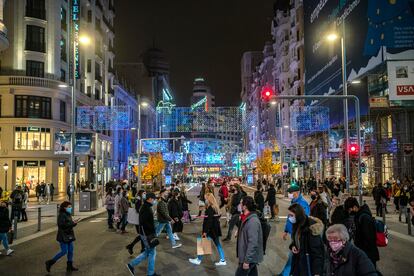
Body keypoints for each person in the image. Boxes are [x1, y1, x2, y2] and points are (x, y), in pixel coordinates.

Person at [278, 184, 310, 276]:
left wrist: (299, 234)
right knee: (293, 255)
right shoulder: (293, 201)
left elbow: (304, 220)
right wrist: (286, 230)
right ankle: (286, 272)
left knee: (294, 255)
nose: (289, 195)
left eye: (290, 193)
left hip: (299, 234)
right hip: (294, 233)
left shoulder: (302, 204)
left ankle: (286, 273)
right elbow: (289, 218)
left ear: (296, 193)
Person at [126, 192, 161, 276]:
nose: (154, 201)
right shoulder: (146, 208)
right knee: (152, 253)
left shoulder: (146, 207)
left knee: (148, 252)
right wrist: (152, 230)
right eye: (154, 199)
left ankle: (131, 265)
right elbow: (142, 222)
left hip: (145, 234)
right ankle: (150, 273)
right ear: (150, 199)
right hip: (147, 234)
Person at [189, 193, 227, 266]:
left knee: (203, 243)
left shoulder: (210, 209)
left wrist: (205, 232)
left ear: (209, 200)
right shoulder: (215, 207)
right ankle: (223, 260)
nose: (205, 200)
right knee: (217, 244)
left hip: (210, 230)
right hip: (215, 229)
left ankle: (198, 260)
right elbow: (217, 217)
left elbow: (209, 221)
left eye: (206, 199)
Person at [288, 203, 325, 276]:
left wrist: (317, 273)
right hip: (298, 261)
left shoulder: (311, 229)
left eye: (291, 215)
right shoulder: (297, 225)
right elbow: (296, 240)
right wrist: (293, 246)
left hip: (308, 265)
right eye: (289, 215)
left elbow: (317, 253)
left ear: (298, 215)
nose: (289, 217)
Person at [344, 197, 379, 267]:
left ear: (354, 207)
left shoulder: (364, 217)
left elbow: (369, 238)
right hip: (364, 253)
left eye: (350, 210)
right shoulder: (359, 215)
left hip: (368, 254)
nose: (349, 212)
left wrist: (363, 254)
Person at [45, 201, 79, 272]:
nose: (70, 208)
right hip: (63, 236)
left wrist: (74, 223)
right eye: (69, 207)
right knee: (64, 251)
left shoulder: (68, 214)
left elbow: (69, 224)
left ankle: (69, 266)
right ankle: (50, 262)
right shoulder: (62, 215)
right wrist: (72, 223)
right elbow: (62, 225)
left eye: (71, 207)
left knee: (71, 251)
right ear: (64, 208)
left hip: (69, 235)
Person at [235, 196, 263, 276]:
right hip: (250, 257)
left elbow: (253, 243)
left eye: (241, 203)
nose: (239, 205)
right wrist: (240, 231)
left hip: (248, 258)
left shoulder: (252, 221)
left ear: (245, 206)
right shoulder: (246, 217)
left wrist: (247, 261)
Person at [126, 190, 146, 255]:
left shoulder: (140, 199)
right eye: (144, 193)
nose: (145, 194)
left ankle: (136, 247)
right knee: (142, 235)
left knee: (142, 235)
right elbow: (138, 210)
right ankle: (133, 247)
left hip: (140, 220)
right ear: (141, 193)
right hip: (139, 220)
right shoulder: (138, 200)